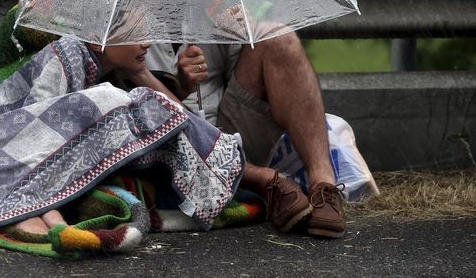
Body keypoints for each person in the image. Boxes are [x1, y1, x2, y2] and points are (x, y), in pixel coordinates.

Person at [0, 31, 295, 241]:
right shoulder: (68, 55)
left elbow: (170, 120)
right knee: (111, 103)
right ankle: (262, 178)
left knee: (137, 105)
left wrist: (141, 74)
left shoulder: (119, 69)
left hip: (40, 138)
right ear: (100, 34)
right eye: (133, 31)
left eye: (148, 32)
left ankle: (260, 178)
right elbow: (33, 135)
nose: (146, 42)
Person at [146, 33, 347, 238]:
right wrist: (179, 86)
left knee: (279, 38)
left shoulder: (213, 4)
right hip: (163, 146)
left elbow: (254, 75)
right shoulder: (128, 17)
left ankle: (324, 184)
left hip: (227, 127)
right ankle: (260, 179)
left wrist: (244, 33)